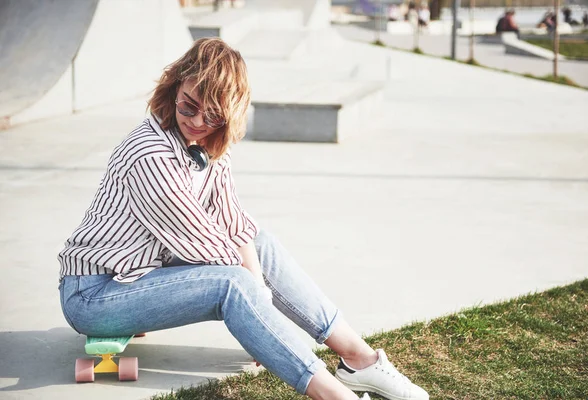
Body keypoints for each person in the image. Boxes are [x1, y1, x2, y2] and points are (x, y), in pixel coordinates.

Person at [57, 38, 430, 400]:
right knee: (232, 284)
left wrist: (259, 297)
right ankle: (335, 396)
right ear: (174, 89)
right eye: (189, 106)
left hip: (141, 273)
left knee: (259, 245)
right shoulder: (150, 157)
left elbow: (234, 222)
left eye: (214, 115)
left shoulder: (204, 146)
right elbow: (206, 246)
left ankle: (358, 358)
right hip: (95, 294)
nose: (198, 122)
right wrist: (259, 306)